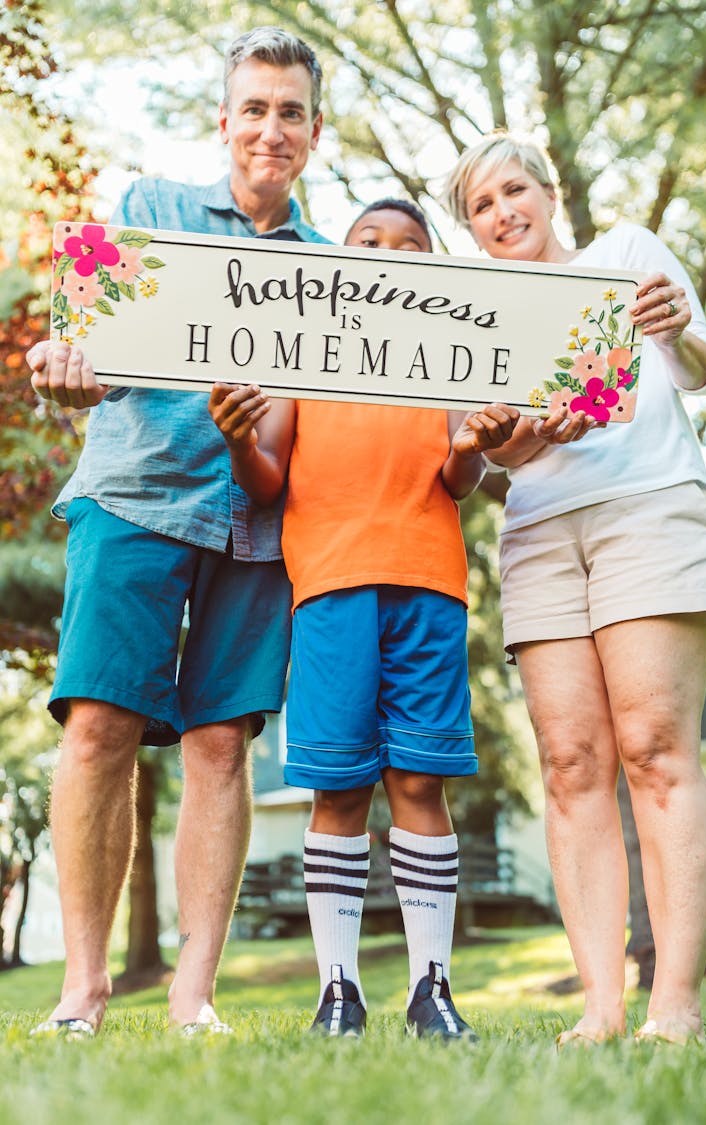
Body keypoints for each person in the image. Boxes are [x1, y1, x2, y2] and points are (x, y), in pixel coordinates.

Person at [24, 26, 327, 1038]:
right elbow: (101, 348)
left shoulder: (329, 272)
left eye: (290, 112)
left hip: (254, 519)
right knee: (101, 728)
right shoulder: (152, 211)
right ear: (225, 119)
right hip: (135, 492)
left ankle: (196, 999)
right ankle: (83, 989)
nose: (270, 130)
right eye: (255, 108)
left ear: (313, 132)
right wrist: (70, 366)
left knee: (219, 748)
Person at [442, 132, 706, 1046]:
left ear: (549, 190)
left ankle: (674, 1002)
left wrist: (678, 325)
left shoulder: (626, 255)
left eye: (514, 190)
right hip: (539, 531)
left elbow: (703, 367)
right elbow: (492, 463)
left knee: (654, 747)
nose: (503, 214)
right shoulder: (475, 316)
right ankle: (601, 1009)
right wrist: (506, 445)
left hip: (647, 509)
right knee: (571, 765)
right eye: (481, 206)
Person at [208, 198, 520, 1039]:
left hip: (429, 586)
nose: (387, 253)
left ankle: (432, 987)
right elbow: (265, 479)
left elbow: (458, 477)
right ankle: (337, 989)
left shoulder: (451, 360)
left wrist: (471, 445)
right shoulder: (299, 358)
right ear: (338, 262)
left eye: (410, 246)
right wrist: (238, 438)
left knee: (420, 780)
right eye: (367, 243)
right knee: (338, 785)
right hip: (331, 589)